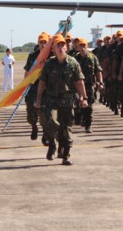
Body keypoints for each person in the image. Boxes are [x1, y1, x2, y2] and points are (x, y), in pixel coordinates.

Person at [35, 34, 88, 165]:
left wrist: (83, 97)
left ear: (66, 47)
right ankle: (52, 144)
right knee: (50, 121)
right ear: (53, 48)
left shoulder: (73, 63)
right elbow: (42, 83)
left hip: (68, 100)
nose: (60, 47)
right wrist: (38, 99)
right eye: (58, 45)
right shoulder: (49, 64)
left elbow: (79, 81)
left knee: (67, 129)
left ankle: (66, 155)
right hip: (52, 99)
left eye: (62, 45)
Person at [75, 38, 103, 133]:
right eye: (81, 46)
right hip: (78, 86)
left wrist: (100, 82)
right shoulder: (75, 58)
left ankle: (88, 125)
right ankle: (81, 118)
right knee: (79, 104)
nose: (82, 48)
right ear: (78, 47)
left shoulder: (92, 58)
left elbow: (98, 71)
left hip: (89, 85)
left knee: (89, 106)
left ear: (87, 46)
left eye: (84, 46)